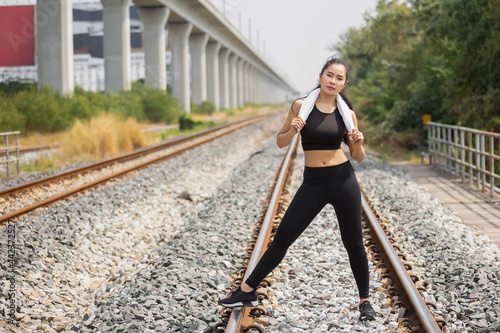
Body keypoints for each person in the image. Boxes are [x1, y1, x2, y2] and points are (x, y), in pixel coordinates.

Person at [219, 56, 376, 321]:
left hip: (343, 180)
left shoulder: (347, 114)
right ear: (321, 76)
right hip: (313, 181)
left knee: (354, 243)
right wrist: (292, 130)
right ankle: (246, 290)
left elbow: (357, 157)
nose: (333, 81)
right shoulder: (301, 106)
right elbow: (281, 142)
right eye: (329, 75)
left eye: (339, 78)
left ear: (344, 83)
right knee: (283, 237)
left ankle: (365, 301)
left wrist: (358, 142)